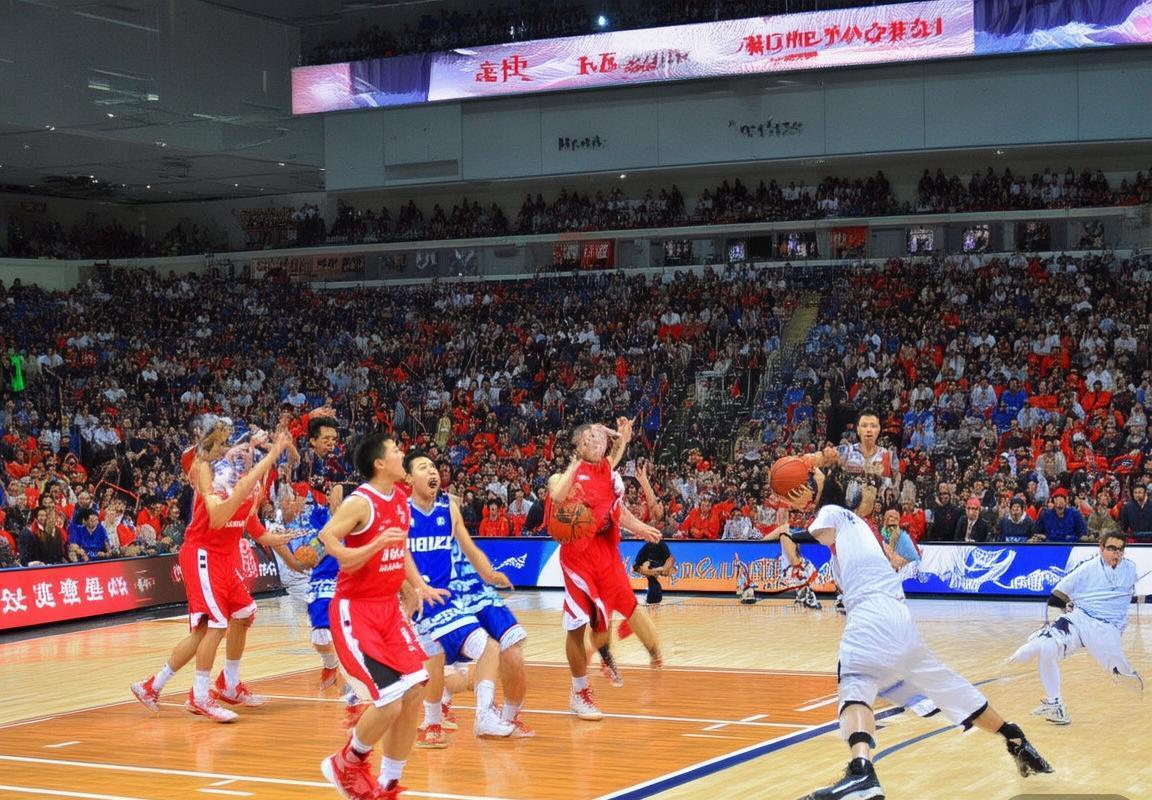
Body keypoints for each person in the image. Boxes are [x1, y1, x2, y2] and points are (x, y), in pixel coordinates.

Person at [775, 455, 1052, 800]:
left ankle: (862, 772)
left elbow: (806, 537)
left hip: (872, 615)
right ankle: (1015, 737)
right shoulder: (860, 531)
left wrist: (787, 528)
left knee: (855, 685)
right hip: (900, 619)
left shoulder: (837, 516)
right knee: (947, 684)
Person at [131, 416, 292, 723]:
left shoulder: (244, 486)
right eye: (232, 447)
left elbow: (257, 531)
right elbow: (217, 516)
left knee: (240, 615)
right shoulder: (209, 473)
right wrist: (268, 455)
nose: (241, 452)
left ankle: (163, 685)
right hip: (203, 554)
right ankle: (200, 695)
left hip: (222, 559)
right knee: (215, 626)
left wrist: (281, 539)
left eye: (247, 451)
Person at [318, 431, 449, 800]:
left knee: (414, 693)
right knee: (389, 700)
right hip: (355, 611)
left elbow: (400, 549)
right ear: (380, 463)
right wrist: (373, 545)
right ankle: (345, 762)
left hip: (389, 610)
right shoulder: (362, 502)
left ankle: (387, 784)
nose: (402, 453)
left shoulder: (402, 500)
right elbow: (329, 539)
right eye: (396, 450)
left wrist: (416, 585)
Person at [548, 419, 664, 721]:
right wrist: (577, 462)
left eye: (600, 436)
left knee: (609, 614)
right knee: (576, 625)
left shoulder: (609, 476)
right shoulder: (562, 476)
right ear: (579, 445)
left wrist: (641, 528)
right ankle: (579, 689)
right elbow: (558, 496)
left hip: (604, 554)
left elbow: (617, 512)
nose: (598, 439)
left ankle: (621, 656)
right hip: (577, 557)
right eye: (591, 436)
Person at [403, 449, 515, 746]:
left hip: (447, 601)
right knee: (434, 664)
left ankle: (483, 715)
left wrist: (490, 575)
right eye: (423, 468)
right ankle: (431, 722)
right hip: (419, 604)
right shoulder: (400, 513)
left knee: (490, 647)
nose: (432, 472)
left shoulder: (448, 509)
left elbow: (469, 548)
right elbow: (393, 559)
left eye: (434, 468)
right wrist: (409, 591)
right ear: (407, 478)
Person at [1009, 531, 1143, 725]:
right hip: (1080, 619)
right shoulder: (1087, 569)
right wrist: (1066, 609)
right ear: (1101, 548)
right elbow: (1056, 596)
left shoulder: (1131, 569)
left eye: (1120, 550)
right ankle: (1056, 706)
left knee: (1125, 676)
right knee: (1045, 646)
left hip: (1108, 629)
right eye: (1112, 548)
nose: (1116, 554)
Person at [633, 538, 674, 605]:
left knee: (654, 582)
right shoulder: (645, 548)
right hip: (650, 568)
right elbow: (636, 566)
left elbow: (669, 559)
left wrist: (663, 569)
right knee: (652, 581)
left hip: (661, 566)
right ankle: (653, 601)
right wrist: (648, 572)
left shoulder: (662, 545)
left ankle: (653, 601)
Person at [877, 507, 919, 572]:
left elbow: (894, 561)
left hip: (908, 570)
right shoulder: (885, 534)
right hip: (906, 568)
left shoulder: (899, 535)